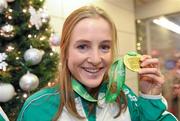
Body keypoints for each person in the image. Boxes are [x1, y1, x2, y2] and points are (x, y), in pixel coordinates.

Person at [17, 5, 178, 121]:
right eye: (82, 46)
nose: (95, 59)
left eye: (104, 47)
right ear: (65, 50)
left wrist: (150, 100)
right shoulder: (37, 108)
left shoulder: (124, 98)